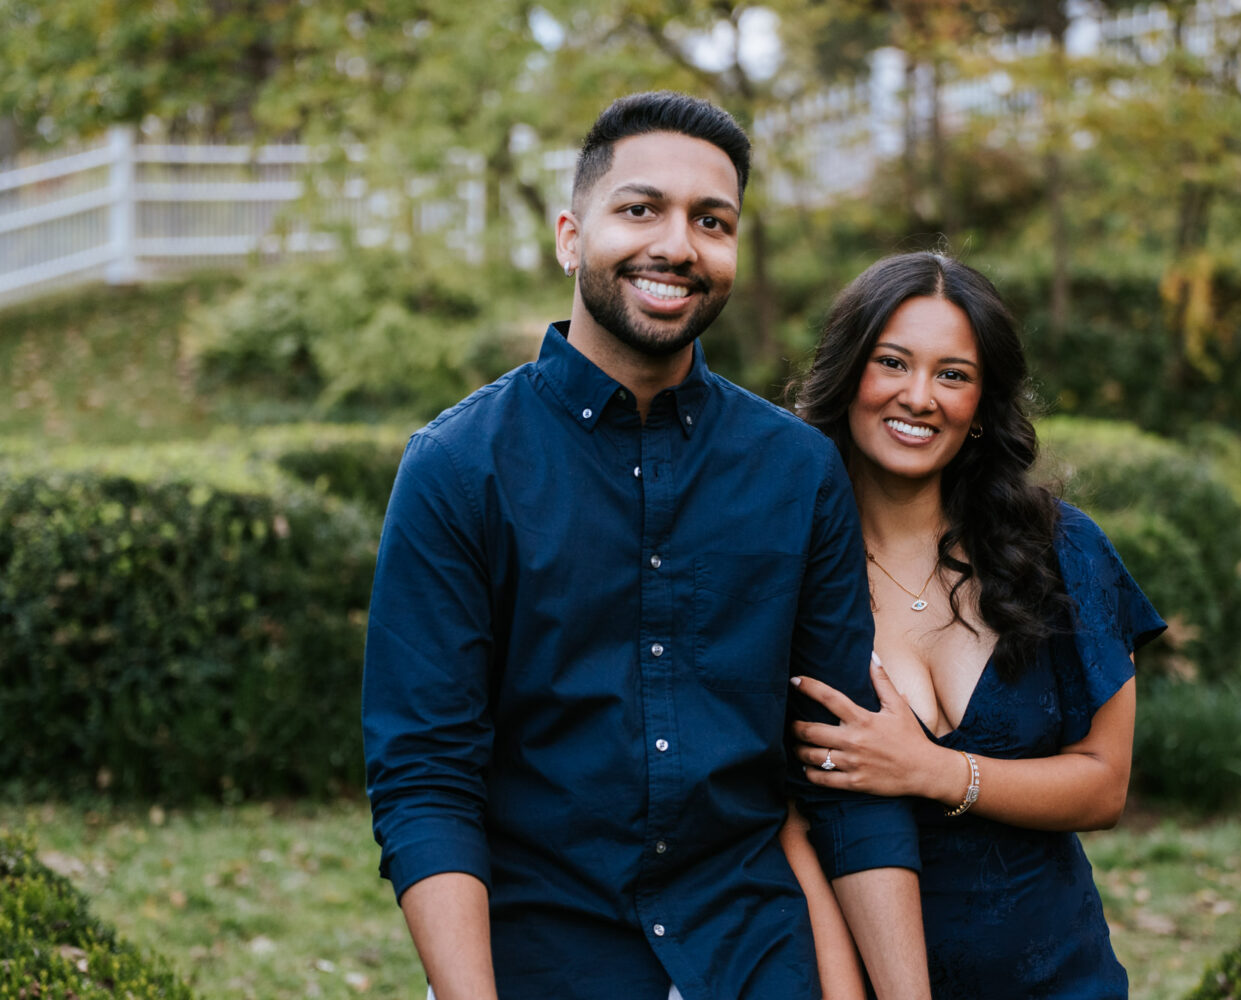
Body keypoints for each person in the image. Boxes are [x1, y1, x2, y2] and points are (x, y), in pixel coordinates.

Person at [361, 92, 931, 1000]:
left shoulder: (797, 471)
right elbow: (426, 779)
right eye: (640, 209)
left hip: (752, 957)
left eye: (712, 221)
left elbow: (842, 769)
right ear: (569, 237)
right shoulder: (458, 469)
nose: (677, 244)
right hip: (539, 957)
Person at [782, 251, 1166, 998]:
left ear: (984, 405)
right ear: (846, 373)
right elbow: (779, 818)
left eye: (953, 374)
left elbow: (1104, 787)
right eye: (892, 362)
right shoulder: (784, 569)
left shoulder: (1062, 550)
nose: (919, 396)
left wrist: (933, 771)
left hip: (1064, 976)